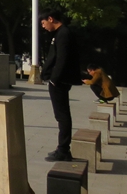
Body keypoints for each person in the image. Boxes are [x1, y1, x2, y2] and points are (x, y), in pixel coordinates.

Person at [40, 9, 80, 162]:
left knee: (62, 115)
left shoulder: (63, 34)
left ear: (51, 19)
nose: (43, 26)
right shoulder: (60, 34)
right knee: (61, 115)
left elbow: (62, 58)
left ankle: (63, 150)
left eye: (43, 23)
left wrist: (54, 79)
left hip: (60, 81)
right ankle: (62, 148)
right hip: (58, 80)